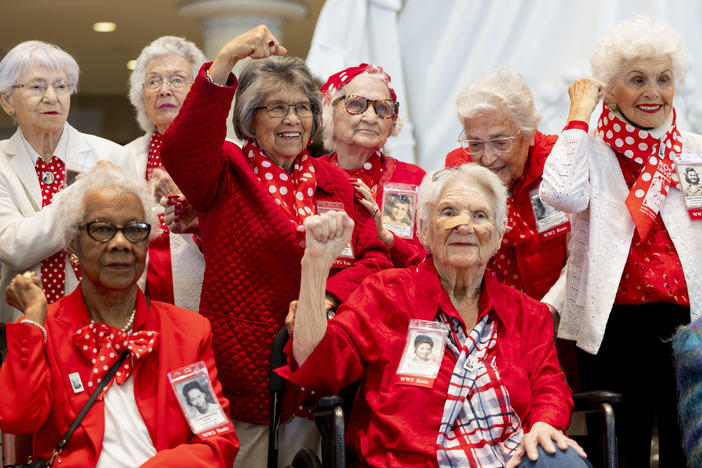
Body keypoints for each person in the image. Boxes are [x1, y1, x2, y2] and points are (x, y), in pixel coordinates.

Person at [160, 25, 391, 466]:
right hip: (243, 368)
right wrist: (225, 61)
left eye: (302, 107)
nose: (292, 119)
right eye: (276, 107)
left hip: (320, 365)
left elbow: (375, 258)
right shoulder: (226, 172)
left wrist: (327, 296)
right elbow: (183, 151)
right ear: (249, 117)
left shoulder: (336, 182)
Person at [280, 164, 590, 467]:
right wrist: (315, 268)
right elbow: (316, 368)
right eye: (448, 212)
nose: (464, 225)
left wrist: (545, 424)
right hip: (413, 459)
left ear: (497, 236)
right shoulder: (385, 295)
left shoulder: (528, 313)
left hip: (509, 457)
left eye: (480, 215)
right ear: (424, 231)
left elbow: (549, 385)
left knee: (559, 457)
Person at [540, 15, 702, 467]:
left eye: (663, 79)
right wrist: (577, 115)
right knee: (621, 452)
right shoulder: (588, 147)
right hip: (613, 325)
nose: (653, 92)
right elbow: (559, 194)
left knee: (686, 450)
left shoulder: (693, 150)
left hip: (688, 326)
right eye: (637, 79)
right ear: (610, 91)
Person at [0, 166, 238, 466]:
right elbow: (19, 418)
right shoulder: (43, 330)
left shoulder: (187, 333)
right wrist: (34, 317)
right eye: (102, 229)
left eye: (134, 229)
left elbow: (215, 440)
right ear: (73, 243)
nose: (121, 243)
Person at [0, 41, 125, 323]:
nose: (51, 97)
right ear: (7, 100)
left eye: (61, 86)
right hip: (24, 322)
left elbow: (130, 249)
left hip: (100, 320)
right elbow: (14, 248)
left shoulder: (113, 155)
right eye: (36, 87)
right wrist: (84, 190)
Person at [444, 69, 568, 317]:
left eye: (500, 143)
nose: (487, 159)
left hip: (561, 317)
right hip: (492, 319)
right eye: (475, 144)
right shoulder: (459, 170)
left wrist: (549, 313)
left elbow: (582, 257)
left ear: (530, 132)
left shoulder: (560, 162)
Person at [123, 36, 207, 311]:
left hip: (203, 293)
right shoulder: (124, 156)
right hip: (136, 296)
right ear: (142, 94)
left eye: (177, 79)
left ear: (197, 90)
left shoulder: (227, 152)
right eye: (154, 81)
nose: (164, 90)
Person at [319, 63, 427, 267]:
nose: (370, 118)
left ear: (392, 122)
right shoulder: (309, 173)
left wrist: (390, 240)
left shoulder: (413, 179)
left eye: (382, 108)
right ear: (329, 110)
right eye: (356, 104)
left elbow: (429, 262)